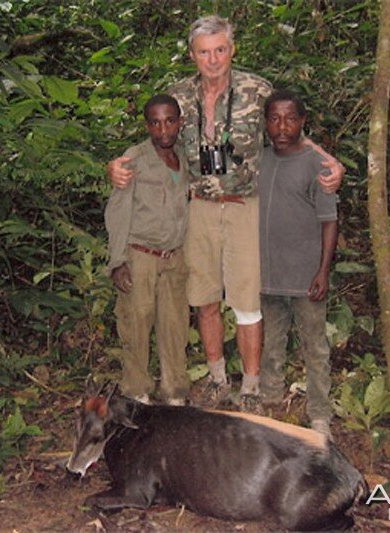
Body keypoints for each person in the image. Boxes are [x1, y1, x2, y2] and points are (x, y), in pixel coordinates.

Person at [108, 16, 345, 412]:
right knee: (204, 300)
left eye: (220, 49)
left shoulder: (256, 90)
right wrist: (115, 165)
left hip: (243, 208)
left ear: (232, 49)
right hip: (198, 208)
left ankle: (250, 388)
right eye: (204, 52)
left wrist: (329, 161)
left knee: (247, 301)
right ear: (192, 55)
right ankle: (218, 379)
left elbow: (291, 134)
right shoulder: (179, 96)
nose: (213, 59)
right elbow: (157, 138)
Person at [258, 90, 338, 438]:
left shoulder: (317, 165)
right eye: (274, 118)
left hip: (306, 275)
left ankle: (320, 414)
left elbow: (329, 220)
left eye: (291, 118)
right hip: (267, 273)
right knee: (270, 342)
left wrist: (323, 270)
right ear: (265, 123)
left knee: (314, 346)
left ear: (303, 122)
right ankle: (270, 401)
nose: (282, 126)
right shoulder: (260, 160)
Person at [104, 94, 190, 406]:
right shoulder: (134, 159)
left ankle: (174, 394)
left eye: (169, 121)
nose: (163, 129)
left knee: (175, 326)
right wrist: (118, 261)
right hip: (140, 255)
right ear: (147, 126)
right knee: (135, 325)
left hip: (174, 257)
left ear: (180, 122)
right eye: (155, 122)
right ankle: (137, 395)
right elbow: (118, 210)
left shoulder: (186, 157)